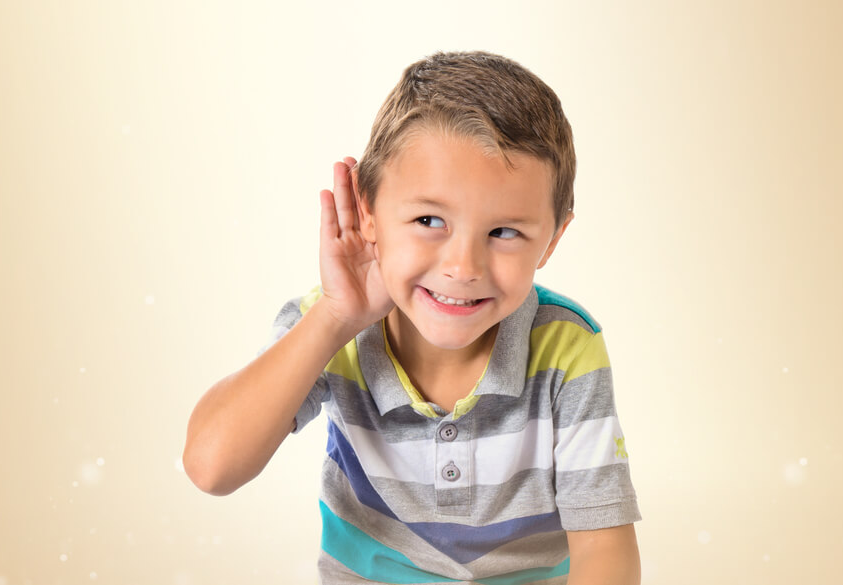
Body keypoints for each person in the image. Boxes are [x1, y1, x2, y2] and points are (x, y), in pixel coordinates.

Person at [183, 50, 641, 585]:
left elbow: (605, 549)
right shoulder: (331, 324)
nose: (463, 267)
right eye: (429, 220)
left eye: (504, 232)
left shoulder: (567, 346)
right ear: (368, 211)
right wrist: (334, 318)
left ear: (552, 239)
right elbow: (211, 467)